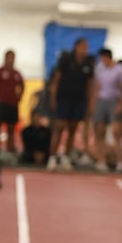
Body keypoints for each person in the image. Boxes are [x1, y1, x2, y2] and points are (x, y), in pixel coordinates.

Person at [48, 37, 95, 171]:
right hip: (64, 98)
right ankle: (52, 157)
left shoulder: (88, 63)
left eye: (87, 47)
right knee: (59, 127)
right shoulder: (66, 59)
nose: (85, 49)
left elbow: (90, 85)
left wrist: (90, 103)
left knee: (73, 128)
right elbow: (57, 79)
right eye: (83, 46)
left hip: (79, 100)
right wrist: (53, 97)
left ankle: (66, 157)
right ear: (76, 46)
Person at [90, 48, 122, 171]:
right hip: (101, 101)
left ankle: (120, 161)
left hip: (114, 101)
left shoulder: (119, 70)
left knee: (116, 133)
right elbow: (97, 86)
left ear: (108, 57)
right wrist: (93, 103)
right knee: (100, 132)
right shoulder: (99, 68)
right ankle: (101, 160)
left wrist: (121, 104)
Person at [0, 49, 24, 155]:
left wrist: (19, 97)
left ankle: (9, 152)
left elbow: (22, 86)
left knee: (11, 129)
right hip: (0, 105)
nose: (11, 60)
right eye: (9, 57)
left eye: (13, 57)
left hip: (12, 105)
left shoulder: (17, 73)